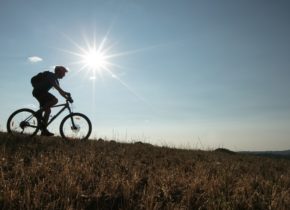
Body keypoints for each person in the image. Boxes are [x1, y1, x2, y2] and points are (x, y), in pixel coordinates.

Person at [31, 66, 70, 136]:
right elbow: (57, 88)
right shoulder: (51, 76)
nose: (64, 75)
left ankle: (44, 130)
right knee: (55, 100)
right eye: (64, 73)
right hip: (39, 91)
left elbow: (60, 91)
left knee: (48, 111)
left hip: (40, 93)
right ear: (59, 72)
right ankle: (38, 113)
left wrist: (66, 97)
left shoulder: (56, 80)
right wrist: (65, 93)